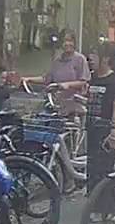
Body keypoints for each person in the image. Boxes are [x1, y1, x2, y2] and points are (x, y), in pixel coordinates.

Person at [27, 33, 89, 192]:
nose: (67, 44)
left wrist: (65, 85)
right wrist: (27, 79)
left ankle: (72, 180)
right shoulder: (57, 61)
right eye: (65, 41)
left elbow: (84, 82)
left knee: (71, 146)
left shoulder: (80, 60)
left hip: (74, 106)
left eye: (70, 41)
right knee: (55, 142)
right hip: (57, 106)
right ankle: (58, 177)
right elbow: (47, 79)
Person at [85, 49, 115, 200]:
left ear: (105, 58)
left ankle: (107, 206)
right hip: (91, 128)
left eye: (94, 57)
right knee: (92, 167)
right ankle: (92, 203)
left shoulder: (114, 80)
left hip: (106, 131)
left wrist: (113, 132)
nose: (90, 60)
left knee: (105, 169)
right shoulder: (93, 77)